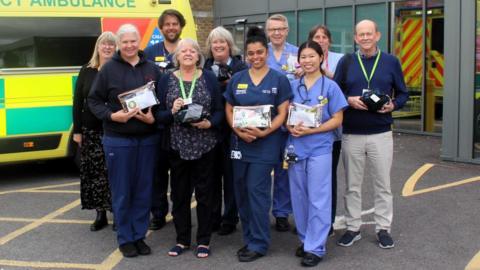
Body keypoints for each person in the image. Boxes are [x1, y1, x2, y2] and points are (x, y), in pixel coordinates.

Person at [333, 20, 409, 249]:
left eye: (369, 34)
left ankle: (383, 228)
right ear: (356, 38)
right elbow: (334, 91)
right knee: (352, 185)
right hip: (352, 133)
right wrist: (348, 100)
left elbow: (404, 93)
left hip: (381, 133)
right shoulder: (346, 62)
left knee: (383, 184)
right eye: (360, 35)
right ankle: (353, 227)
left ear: (377, 35)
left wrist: (393, 105)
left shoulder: (391, 62)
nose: (365, 38)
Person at [88, 24, 162, 258]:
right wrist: (112, 116)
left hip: (147, 140)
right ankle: (125, 238)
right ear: (119, 44)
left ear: (139, 41)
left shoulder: (152, 68)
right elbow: (94, 101)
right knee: (122, 191)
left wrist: (154, 118)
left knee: (143, 191)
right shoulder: (108, 69)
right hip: (118, 140)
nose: (130, 46)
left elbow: (162, 103)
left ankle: (139, 236)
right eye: (125, 42)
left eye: (133, 41)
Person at [224, 26, 292, 262]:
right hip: (240, 143)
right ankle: (250, 238)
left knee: (257, 192)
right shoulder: (238, 79)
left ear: (266, 52)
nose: (255, 57)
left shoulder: (279, 79)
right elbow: (229, 107)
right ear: (246, 55)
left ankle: (260, 243)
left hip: (265, 145)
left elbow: (283, 113)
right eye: (251, 53)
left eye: (260, 52)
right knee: (241, 192)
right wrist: (237, 130)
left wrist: (264, 133)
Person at [156, 38, 223, 259]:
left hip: (205, 145)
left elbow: (220, 111)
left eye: (192, 50)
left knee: (205, 195)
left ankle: (203, 241)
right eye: (183, 50)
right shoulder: (166, 79)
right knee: (179, 195)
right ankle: (182, 239)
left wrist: (210, 123)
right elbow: (159, 116)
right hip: (177, 146)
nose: (187, 53)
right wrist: (172, 111)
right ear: (176, 56)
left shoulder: (209, 78)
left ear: (198, 56)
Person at [286, 41, 348, 267]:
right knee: (299, 197)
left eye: (312, 56)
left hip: (320, 148)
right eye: (303, 56)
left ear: (321, 58)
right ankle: (305, 240)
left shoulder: (330, 87)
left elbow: (337, 119)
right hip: (295, 147)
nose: (308, 60)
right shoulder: (292, 86)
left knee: (319, 198)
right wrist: (289, 126)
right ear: (298, 60)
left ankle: (316, 247)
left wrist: (314, 129)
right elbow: (284, 114)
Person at [143, 8, 186, 231]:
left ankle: (180, 213)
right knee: (157, 173)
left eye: (175, 24)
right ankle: (158, 213)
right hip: (157, 123)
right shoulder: (150, 52)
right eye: (167, 24)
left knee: (180, 175)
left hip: (182, 124)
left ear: (181, 26)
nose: (171, 27)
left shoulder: (187, 50)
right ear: (161, 28)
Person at [204, 26, 248, 236]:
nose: (219, 46)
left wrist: (232, 84)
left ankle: (230, 218)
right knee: (211, 176)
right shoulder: (204, 67)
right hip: (210, 130)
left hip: (233, 130)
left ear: (230, 45)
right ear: (210, 47)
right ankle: (213, 217)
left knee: (231, 178)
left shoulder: (241, 67)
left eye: (223, 42)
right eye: (215, 42)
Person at [72, 31, 116, 232]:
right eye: (104, 44)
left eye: (111, 44)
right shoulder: (86, 70)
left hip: (115, 129)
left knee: (115, 173)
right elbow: (77, 101)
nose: (107, 47)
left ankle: (117, 211)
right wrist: (77, 130)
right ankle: (101, 214)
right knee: (96, 174)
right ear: (98, 47)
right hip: (91, 130)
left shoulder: (118, 69)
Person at [308, 25, 344, 236]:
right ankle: (309, 222)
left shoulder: (341, 60)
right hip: (306, 134)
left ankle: (328, 221)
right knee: (307, 182)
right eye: (316, 37)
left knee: (328, 178)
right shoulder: (305, 58)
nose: (320, 39)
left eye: (324, 37)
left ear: (329, 40)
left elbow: (342, 87)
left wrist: (321, 71)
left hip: (332, 132)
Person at [265, 13, 298, 232]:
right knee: (262, 169)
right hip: (265, 123)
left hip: (291, 122)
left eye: (281, 28)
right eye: (273, 29)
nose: (277, 32)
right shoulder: (260, 53)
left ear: (287, 30)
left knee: (285, 169)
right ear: (267, 32)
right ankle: (259, 212)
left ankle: (281, 212)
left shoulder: (298, 54)